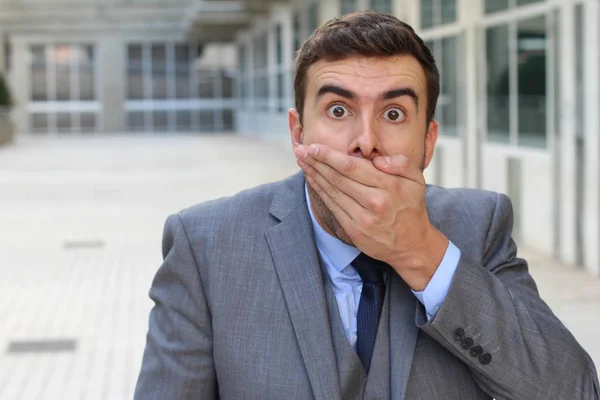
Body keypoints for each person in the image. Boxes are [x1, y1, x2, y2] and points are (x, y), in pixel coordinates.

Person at [134, 11, 599, 399]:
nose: (365, 142)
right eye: (338, 110)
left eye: (393, 114)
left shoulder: (478, 226)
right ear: (298, 133)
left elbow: (574, 390)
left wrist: (421, 252)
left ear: (428, 141)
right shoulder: (206, 245)